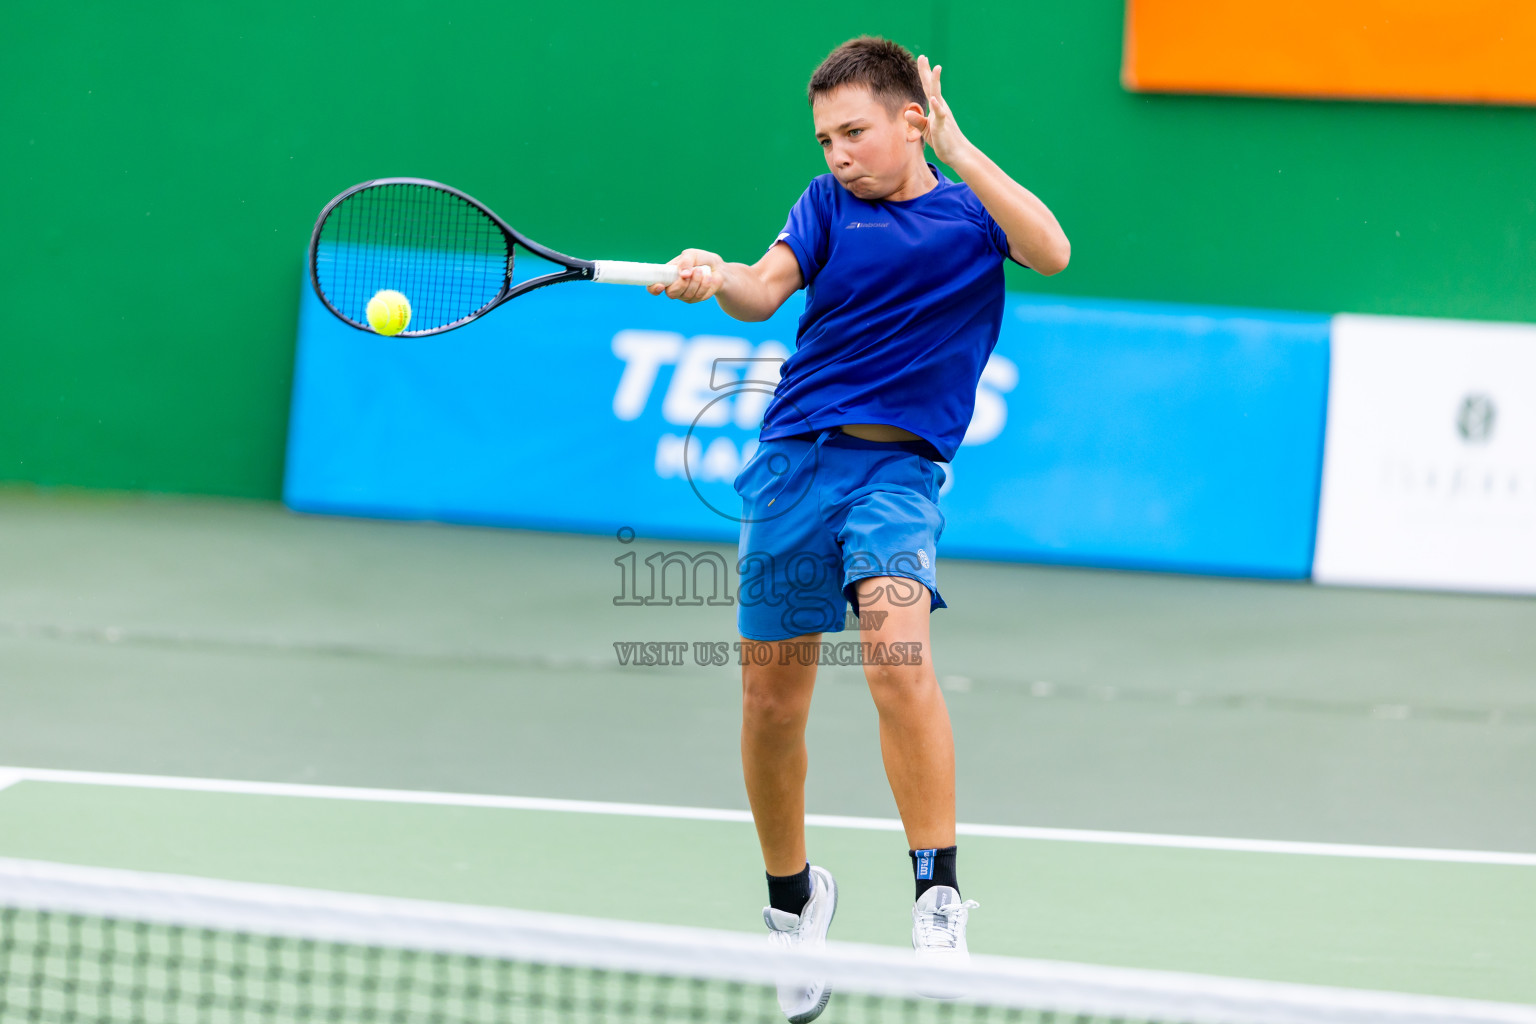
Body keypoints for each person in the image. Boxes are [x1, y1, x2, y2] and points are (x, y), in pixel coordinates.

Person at [649, 35, 1069, 1022]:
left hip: (898, 473)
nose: (837, 152)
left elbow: (1051, 248)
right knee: (770, 703)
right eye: (825, 136)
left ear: (909, 119)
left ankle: (937, 897)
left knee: (895, 647)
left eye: (855, 131)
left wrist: (962, 150)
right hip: (796, 459)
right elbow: (763, 289)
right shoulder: (826, 205)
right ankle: (794, 904)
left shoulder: (973, 213)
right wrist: (714, 276)